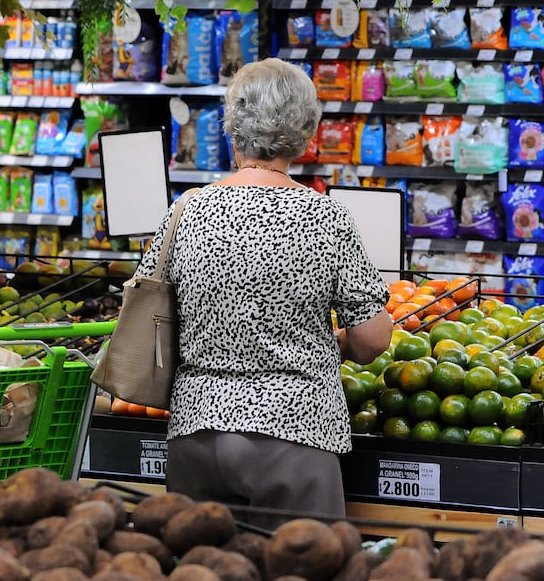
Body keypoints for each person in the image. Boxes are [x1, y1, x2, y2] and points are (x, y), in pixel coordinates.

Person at [134, 58, 392, 526]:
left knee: (204, 575)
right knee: (297, 571)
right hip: (294, 434)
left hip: (195, 430)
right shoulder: (324, 217)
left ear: (232, 126)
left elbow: (151, 307)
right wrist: (338, 343)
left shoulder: (186, 210)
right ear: (306, 131)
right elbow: (372, 339)